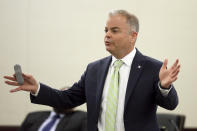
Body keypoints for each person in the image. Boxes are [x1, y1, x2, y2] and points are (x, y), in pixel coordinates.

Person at [4, 10, 180, 131]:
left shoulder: (153, 68)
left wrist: (164, 87)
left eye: (114, 30)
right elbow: (67, 99)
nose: (107, 35)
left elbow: (171, 104)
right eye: (106, 30)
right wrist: (37, 88)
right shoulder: (94, 69)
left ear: (133, 36)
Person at [19, 87, 87, 131]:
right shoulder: (32, 116)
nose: (63, 101)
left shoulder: (82, 118)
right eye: (60, 97)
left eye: (68, 99)